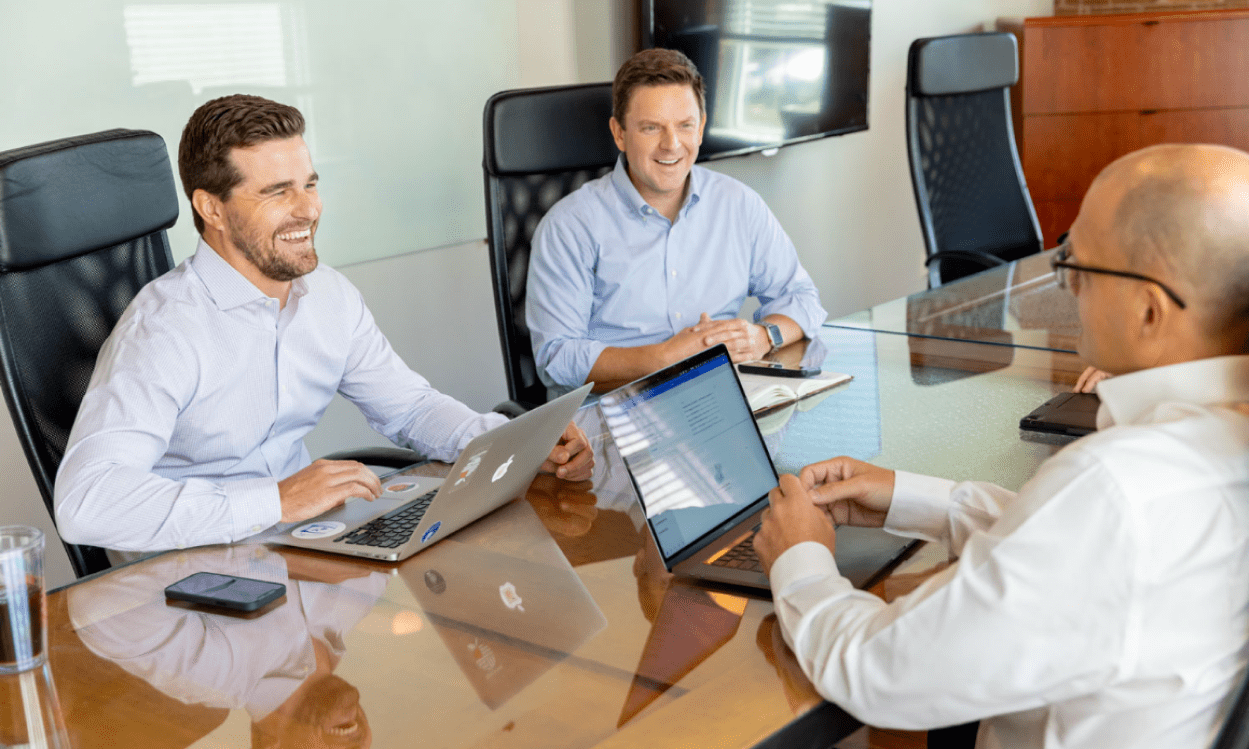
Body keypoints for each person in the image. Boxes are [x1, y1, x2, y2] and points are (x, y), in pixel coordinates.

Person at [754, 143, 1249, 748]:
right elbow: (1084, 561)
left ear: (1150, 311)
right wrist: (909, 497)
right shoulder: (1216, 442)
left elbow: (880, 671)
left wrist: (800, 557)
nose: (1066, 288)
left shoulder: (1118, 490)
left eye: (1079, 267)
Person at [54, 95, 591, 554]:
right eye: (276, 192)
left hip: (300, 542)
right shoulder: (163, 330)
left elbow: (409, 407)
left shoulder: (327, 296)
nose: (307, 209)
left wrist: (519, 443)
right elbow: (86, 503)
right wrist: (275, 500)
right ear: (210, 209)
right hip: (189, 574)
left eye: (309, 184)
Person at [525, 48, 827, 393]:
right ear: (619, 133)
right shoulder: (569, 226)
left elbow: (802, 298)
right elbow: (557, 357)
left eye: (685, 126)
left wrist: (761, 336)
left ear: (700, 129)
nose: (672, 145)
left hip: (716, 400)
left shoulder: (738, 204)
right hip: (613, 413)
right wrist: (663, 357)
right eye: (651, 128)